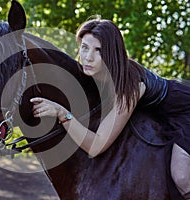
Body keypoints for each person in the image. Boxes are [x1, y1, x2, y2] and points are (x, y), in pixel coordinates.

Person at [30, 18, 190, 199]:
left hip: (185, 110)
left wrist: (62, 113)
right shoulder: (95, 74)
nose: (88, 57)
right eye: (84, 47)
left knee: (182, 176)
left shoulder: (132, 84)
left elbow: (96, 146)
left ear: (112, 53)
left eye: (99, 50)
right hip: (160, 115)